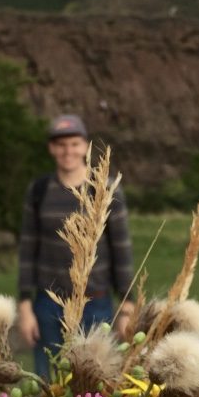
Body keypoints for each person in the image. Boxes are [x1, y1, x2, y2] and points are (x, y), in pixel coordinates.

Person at [17, 113, 135, 378]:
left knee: (95, 381)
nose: (67, 151)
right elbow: (27, 249)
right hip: (48, 303)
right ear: (51, 148)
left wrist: (127, 304)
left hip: (96, 302)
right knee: (48, 380)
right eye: (61, 145)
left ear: (85, 146)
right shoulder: (39, 190)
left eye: (74, 144)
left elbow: (121, 248)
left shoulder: (104, 189)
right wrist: (24, 306)